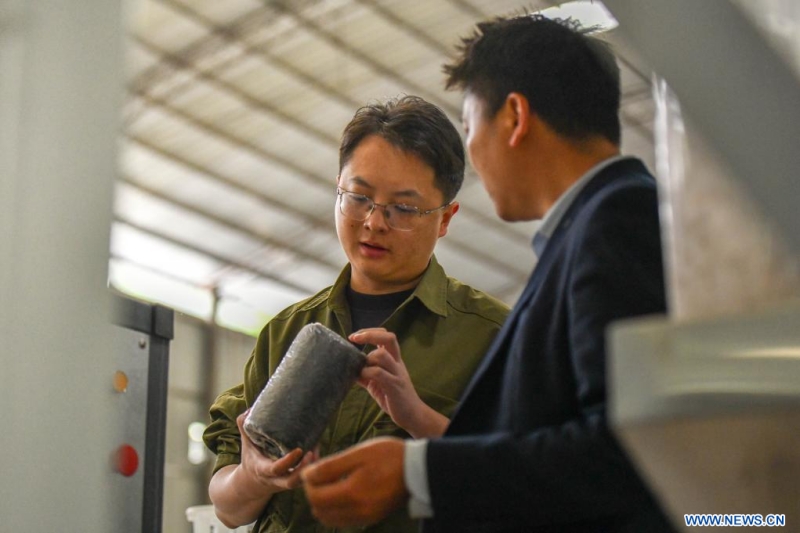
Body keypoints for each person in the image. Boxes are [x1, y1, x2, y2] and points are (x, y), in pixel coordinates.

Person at [302, 14, 677, 533]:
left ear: (515, 116)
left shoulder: (616, 220)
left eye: (471, 125)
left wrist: (416, 470)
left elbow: (628, 449)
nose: (474, 154)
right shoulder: (588, 230)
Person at [202, 94, 510, 533]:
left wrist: (417, 418)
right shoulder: (287, 332)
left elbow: (522, 486)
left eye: (404, 208)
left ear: (445, 218)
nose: (374, 222)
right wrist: (254, 476)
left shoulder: (492, 337)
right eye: (358, 197)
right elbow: (230, 509)